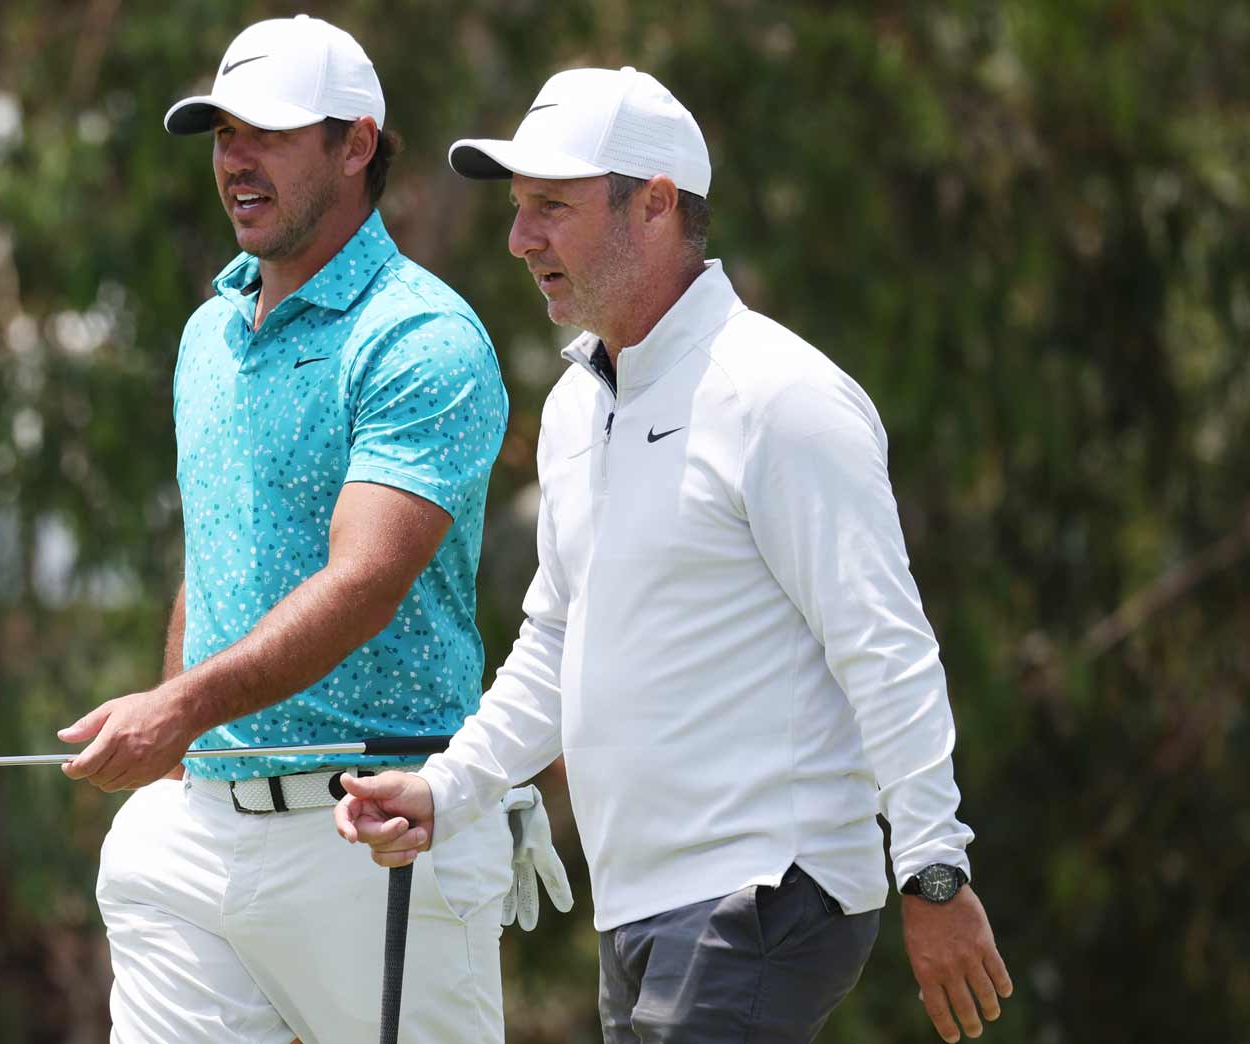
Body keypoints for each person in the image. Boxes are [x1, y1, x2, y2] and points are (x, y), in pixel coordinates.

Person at [336, 66, 1015, 1044]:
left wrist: (932, 871)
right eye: (519, 209)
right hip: (640, 909)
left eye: (552, 208)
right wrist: (450, 786)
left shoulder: (778, 396)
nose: (520, 237)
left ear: (653, 206)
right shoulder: (578, 405)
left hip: (764, 890)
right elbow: (556, 642)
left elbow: (884, 647)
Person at [56, 15, 531, 1044]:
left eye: (267, 133)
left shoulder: (417, 336)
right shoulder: (210, 334)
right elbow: (218, 549)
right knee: (137, 868)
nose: (235, 159)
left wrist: (175, 708)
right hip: (200, 840)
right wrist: (184, 753)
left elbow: (363, 583)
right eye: (222, 133)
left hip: (370, 828)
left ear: (355, 144)